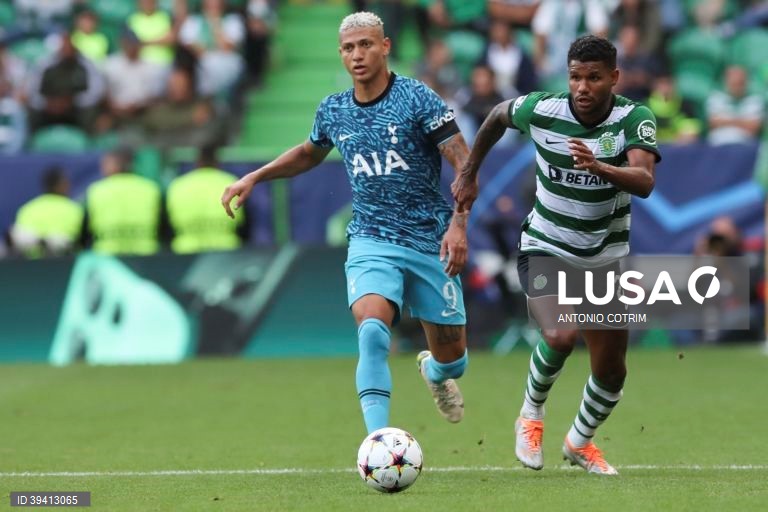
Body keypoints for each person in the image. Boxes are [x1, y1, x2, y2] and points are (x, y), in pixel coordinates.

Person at [221, 12, 471, 434]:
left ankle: (435, 372)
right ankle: (377, 442)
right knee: (373, 333)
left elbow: (463, 161)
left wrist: (459, 224)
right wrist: (255, 175)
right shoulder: (334, 110)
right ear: (340, 54)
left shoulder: (418, 98)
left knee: (454, 359)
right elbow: (308, 153)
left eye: (366, 44)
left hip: (430, 240)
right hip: (371, 239)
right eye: (349, 48)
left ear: (385, 46)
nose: (358, 54)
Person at [453, 35, 660, 474]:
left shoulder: (632, 118)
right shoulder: (543, 109)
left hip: (605, 257)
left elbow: (644, 181)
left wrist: (601, 166)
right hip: (546, 246)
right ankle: (530, 416)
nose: (582, 87)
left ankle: (579, 443)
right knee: (561, 335)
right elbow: (495, 115)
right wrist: (470, 173)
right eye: (575, 77)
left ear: (614, 78)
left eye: (593, 77)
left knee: (611, 372)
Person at [167, 145, 247, 254]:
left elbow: (167, 224)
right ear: (217, 162)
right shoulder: (231, 181)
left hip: (185, 252)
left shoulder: (178, 185)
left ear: (197, 162)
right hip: (226, 250)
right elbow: (244, 223)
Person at [9, 166, 83, 258]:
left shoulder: (26, 209)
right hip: (65, 266)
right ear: (61, 185)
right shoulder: (75, 209)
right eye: (66, 183)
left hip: (31, 267)